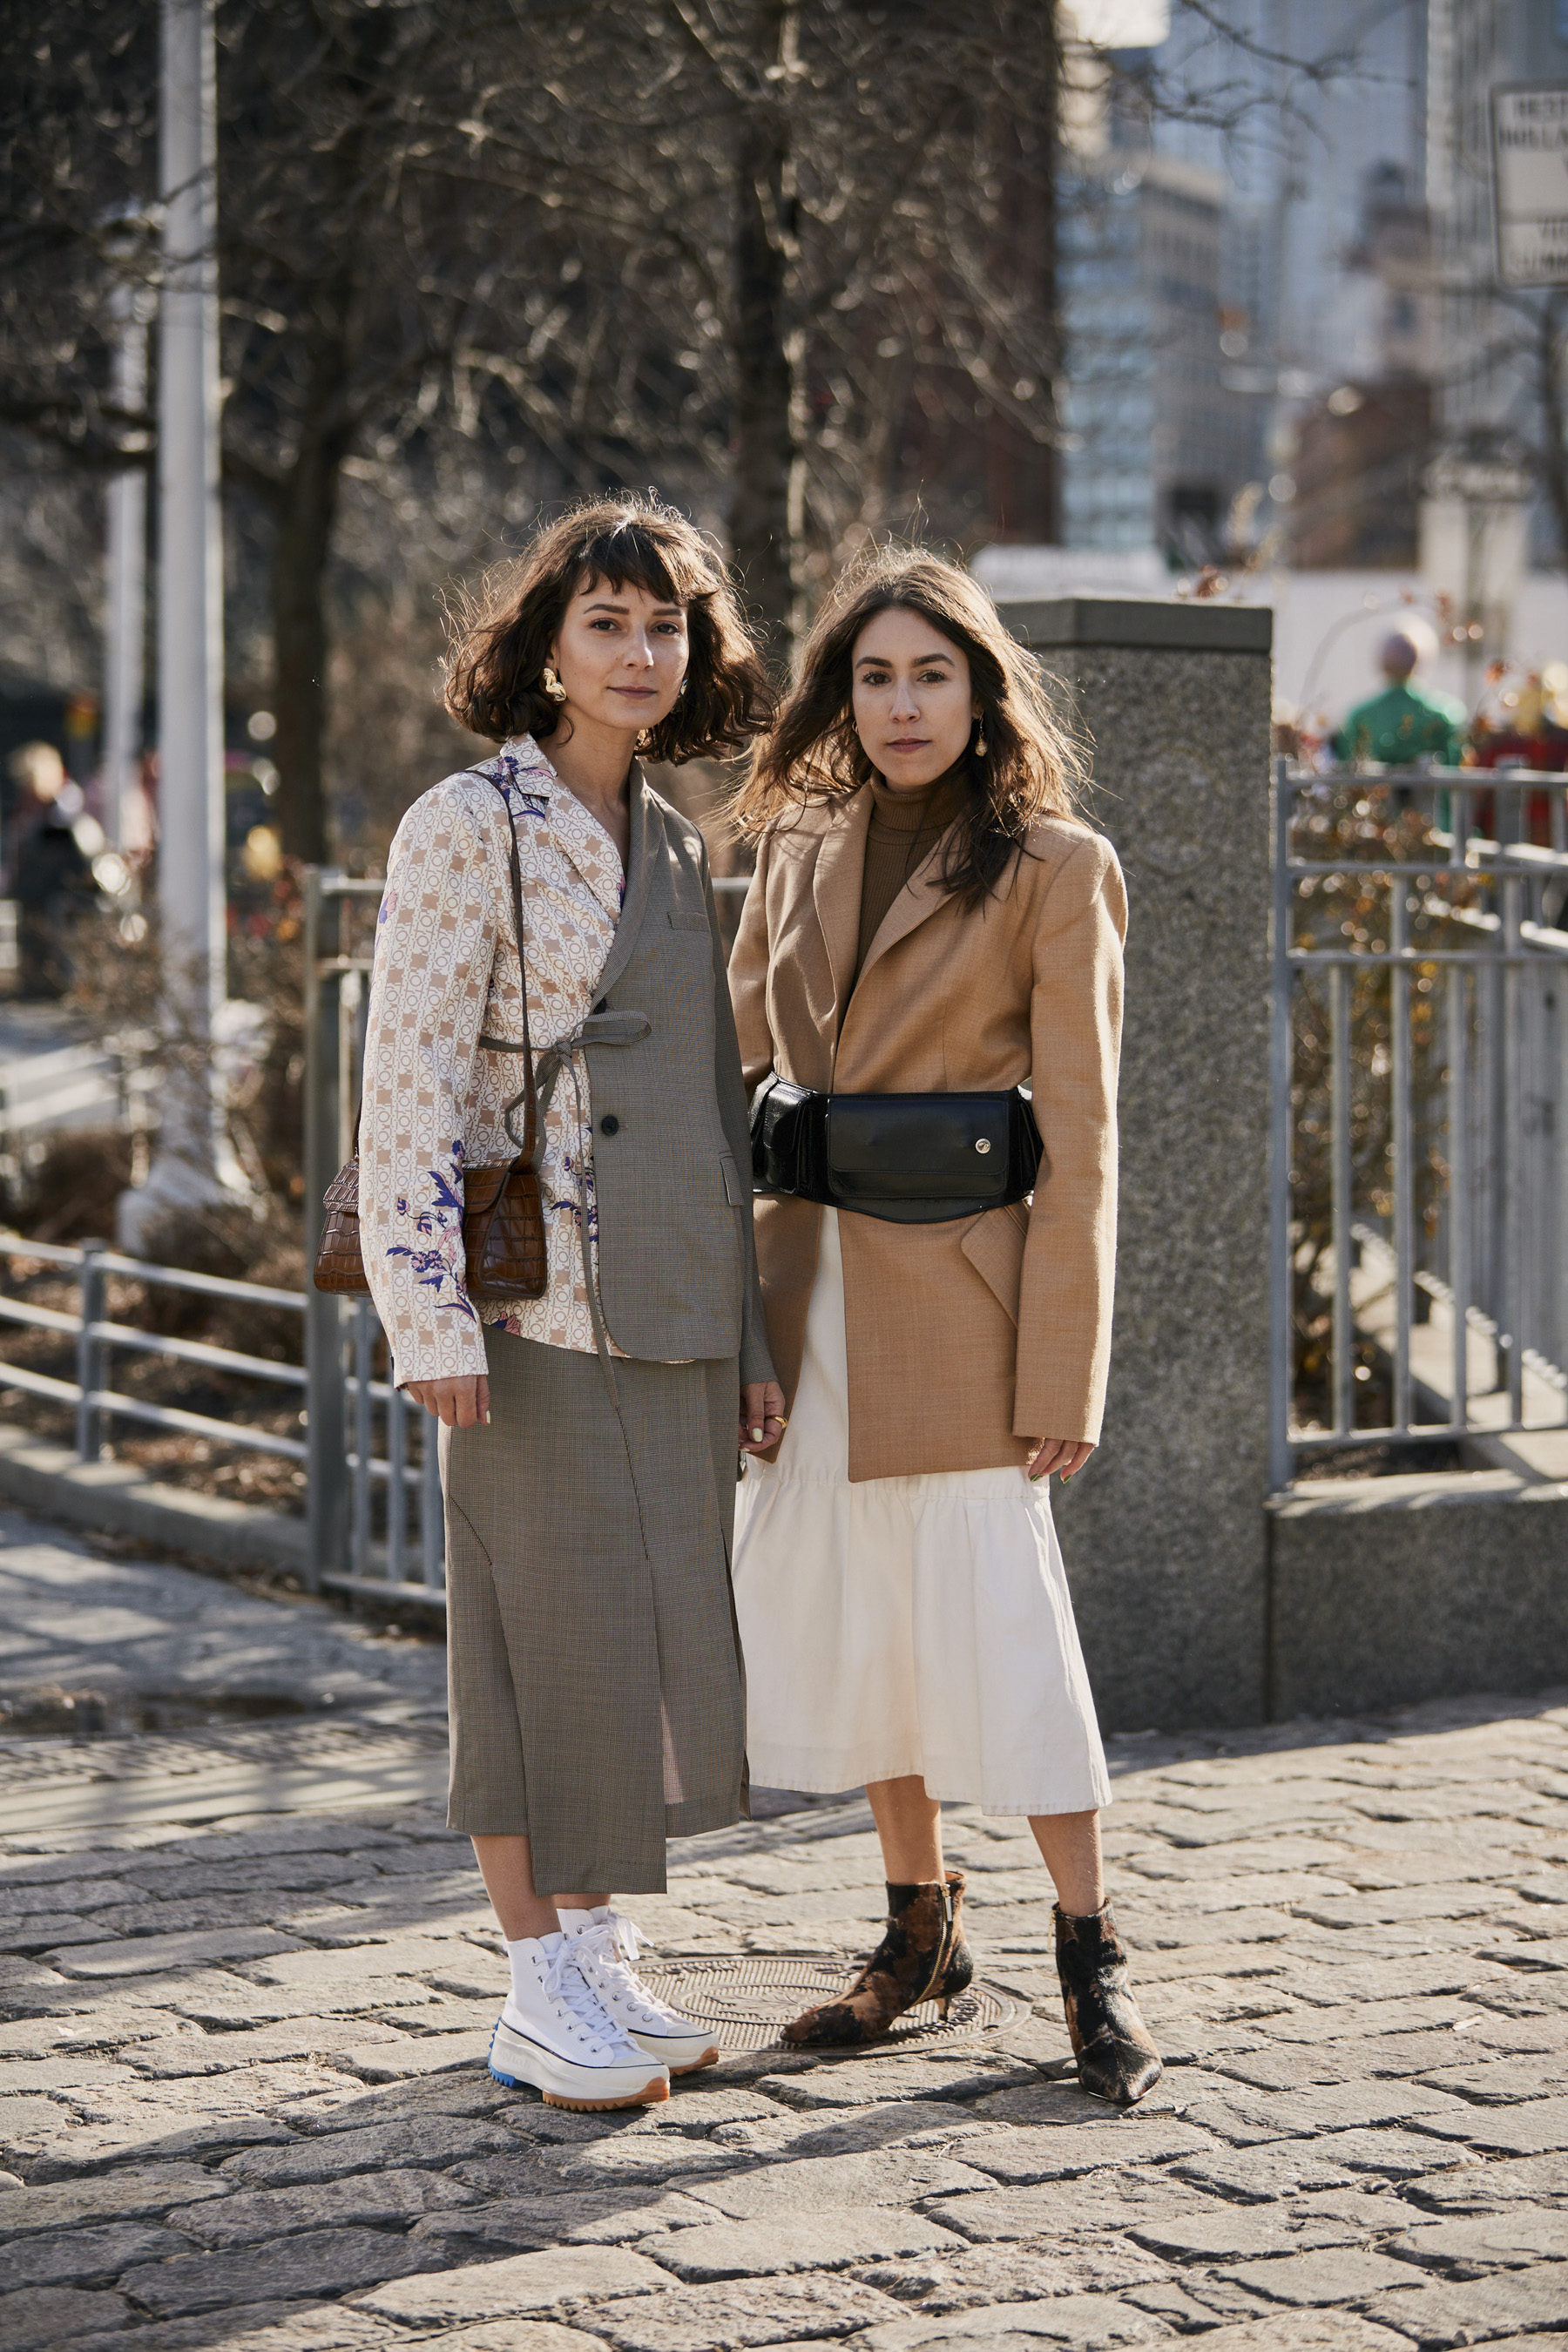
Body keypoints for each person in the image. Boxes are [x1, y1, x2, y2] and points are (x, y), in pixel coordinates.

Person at [360, 497, 785, 2112]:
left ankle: (598, 1947)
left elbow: (712, 1111)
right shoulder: (465, 822)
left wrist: (750, 1338)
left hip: (670, 1296)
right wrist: (429, 1320)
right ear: (547, 646)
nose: (638, 651)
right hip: (523, 1305)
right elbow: (404, 1080)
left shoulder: (672, 839)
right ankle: (533, 1977)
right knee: (528, 1642)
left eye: (665, 625)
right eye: (606, 622)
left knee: (642, 1643)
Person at [727, 549, 1162, 2108]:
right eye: (874, 677)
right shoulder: (797, 849)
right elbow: (730, 1076)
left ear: (982, 695)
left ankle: (1091, 1952)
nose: (902, 705)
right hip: (813, 1291)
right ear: (842, 697)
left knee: (1002, 1626)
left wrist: (1065, 1366)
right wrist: (745, 1336)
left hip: (969, 1307)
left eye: (932, 675)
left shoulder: (1057, 865)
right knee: (866, 1624)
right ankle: (918, 1933)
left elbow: (1085, 1141)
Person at [1332, 625, 1467, 767]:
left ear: (1383, 663)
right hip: (1431, 782)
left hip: (1375, 782)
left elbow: (1348, 764)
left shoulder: (1360, 716)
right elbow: (1456, 764)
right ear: (1420, 660)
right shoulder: (1448, 713)